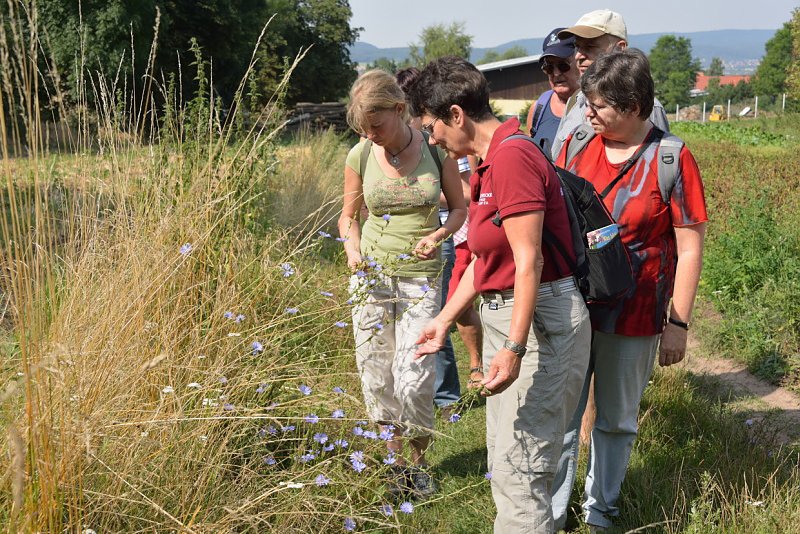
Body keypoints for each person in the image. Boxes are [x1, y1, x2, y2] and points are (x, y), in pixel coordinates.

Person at [410, 56, 591, 533]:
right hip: (514, 319)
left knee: (522, 469)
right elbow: (488, 259)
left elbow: (530, 261)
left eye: (431, 127)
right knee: (508, 461)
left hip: (540, 326)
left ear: (456, 115)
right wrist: (445, 319)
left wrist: (513, 349)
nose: (431, 139)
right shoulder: (487, 163)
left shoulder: (512, 158)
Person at [552, 49, 708, 532]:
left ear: (637, 105)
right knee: (560, 415)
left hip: (636, 312)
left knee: (616, 420)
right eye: (588, 103)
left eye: (600, 106)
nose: (589, 114)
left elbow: (690, 245)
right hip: (574, 305)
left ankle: (602, 512)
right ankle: (550, 514)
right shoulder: (577, 143)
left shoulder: (671, 158)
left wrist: (677, 323)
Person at [338, 69, 466, 495]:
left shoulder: (435, 150)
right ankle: (396, 468)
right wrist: (352, 250)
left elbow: (461, 211)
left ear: (399, 110)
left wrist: (438, 235)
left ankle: (418, 463)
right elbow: (348, 217)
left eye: (377, 125)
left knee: (413, 376)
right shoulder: (359, 155)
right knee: (376, 374)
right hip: (370, 277)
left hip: (421, 280)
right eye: (363, 128)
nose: (371, 134)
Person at [550, 9, 670, 160]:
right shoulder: (575, 101)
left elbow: (656, 169)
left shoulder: (645, 108)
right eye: (577, 47)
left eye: (589, 47)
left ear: (620, 48)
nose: (578, 56)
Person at [526, 28, 580, 155]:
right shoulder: (538, 109)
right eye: (549, 67)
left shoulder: (592, 108)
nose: (556, 73)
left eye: (563, 65)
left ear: (579, 61)